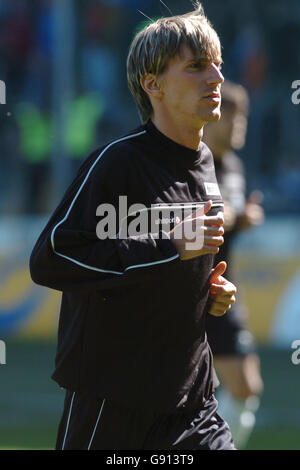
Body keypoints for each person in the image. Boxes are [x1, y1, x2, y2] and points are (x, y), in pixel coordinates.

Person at [30, 3, 237, 450]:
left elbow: (169, 265)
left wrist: (207, 296)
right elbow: (50, 259)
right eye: (197, 67)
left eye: (217, 65)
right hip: (114, 400)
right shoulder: (117, 163)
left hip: (193, 402)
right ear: (153, 84)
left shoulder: (206, 164)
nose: (216, 78)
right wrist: (169, 246)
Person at [204, 80, 264, 449]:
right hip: (199, 288)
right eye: (231, 115)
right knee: (242, 385)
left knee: (245, 386)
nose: (238, 124)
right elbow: (200, 221)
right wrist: (233, 216)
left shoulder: (235, 167)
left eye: (243, 117)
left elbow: (225, 226)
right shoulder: (196, 162)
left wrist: (241, 221)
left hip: (224, 287)